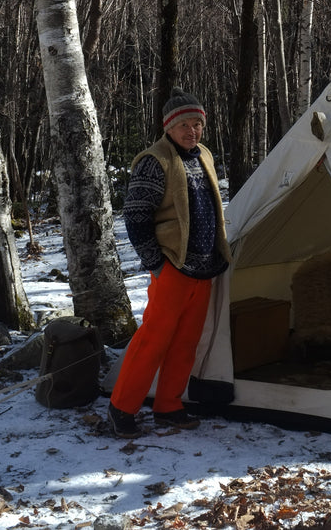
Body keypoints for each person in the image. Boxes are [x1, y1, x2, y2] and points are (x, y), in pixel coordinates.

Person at [108, 87, 231, 438]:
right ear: (169, 127)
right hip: (173, 266)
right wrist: (156, 263)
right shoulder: (155, 160)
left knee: (186, 341)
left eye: (197, 124)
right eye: (184, 126)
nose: (192, 131)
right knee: (154, 340)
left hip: (204, 266)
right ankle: (122, 408)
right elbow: (135, 217)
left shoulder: (203, 155)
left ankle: (169, 406)